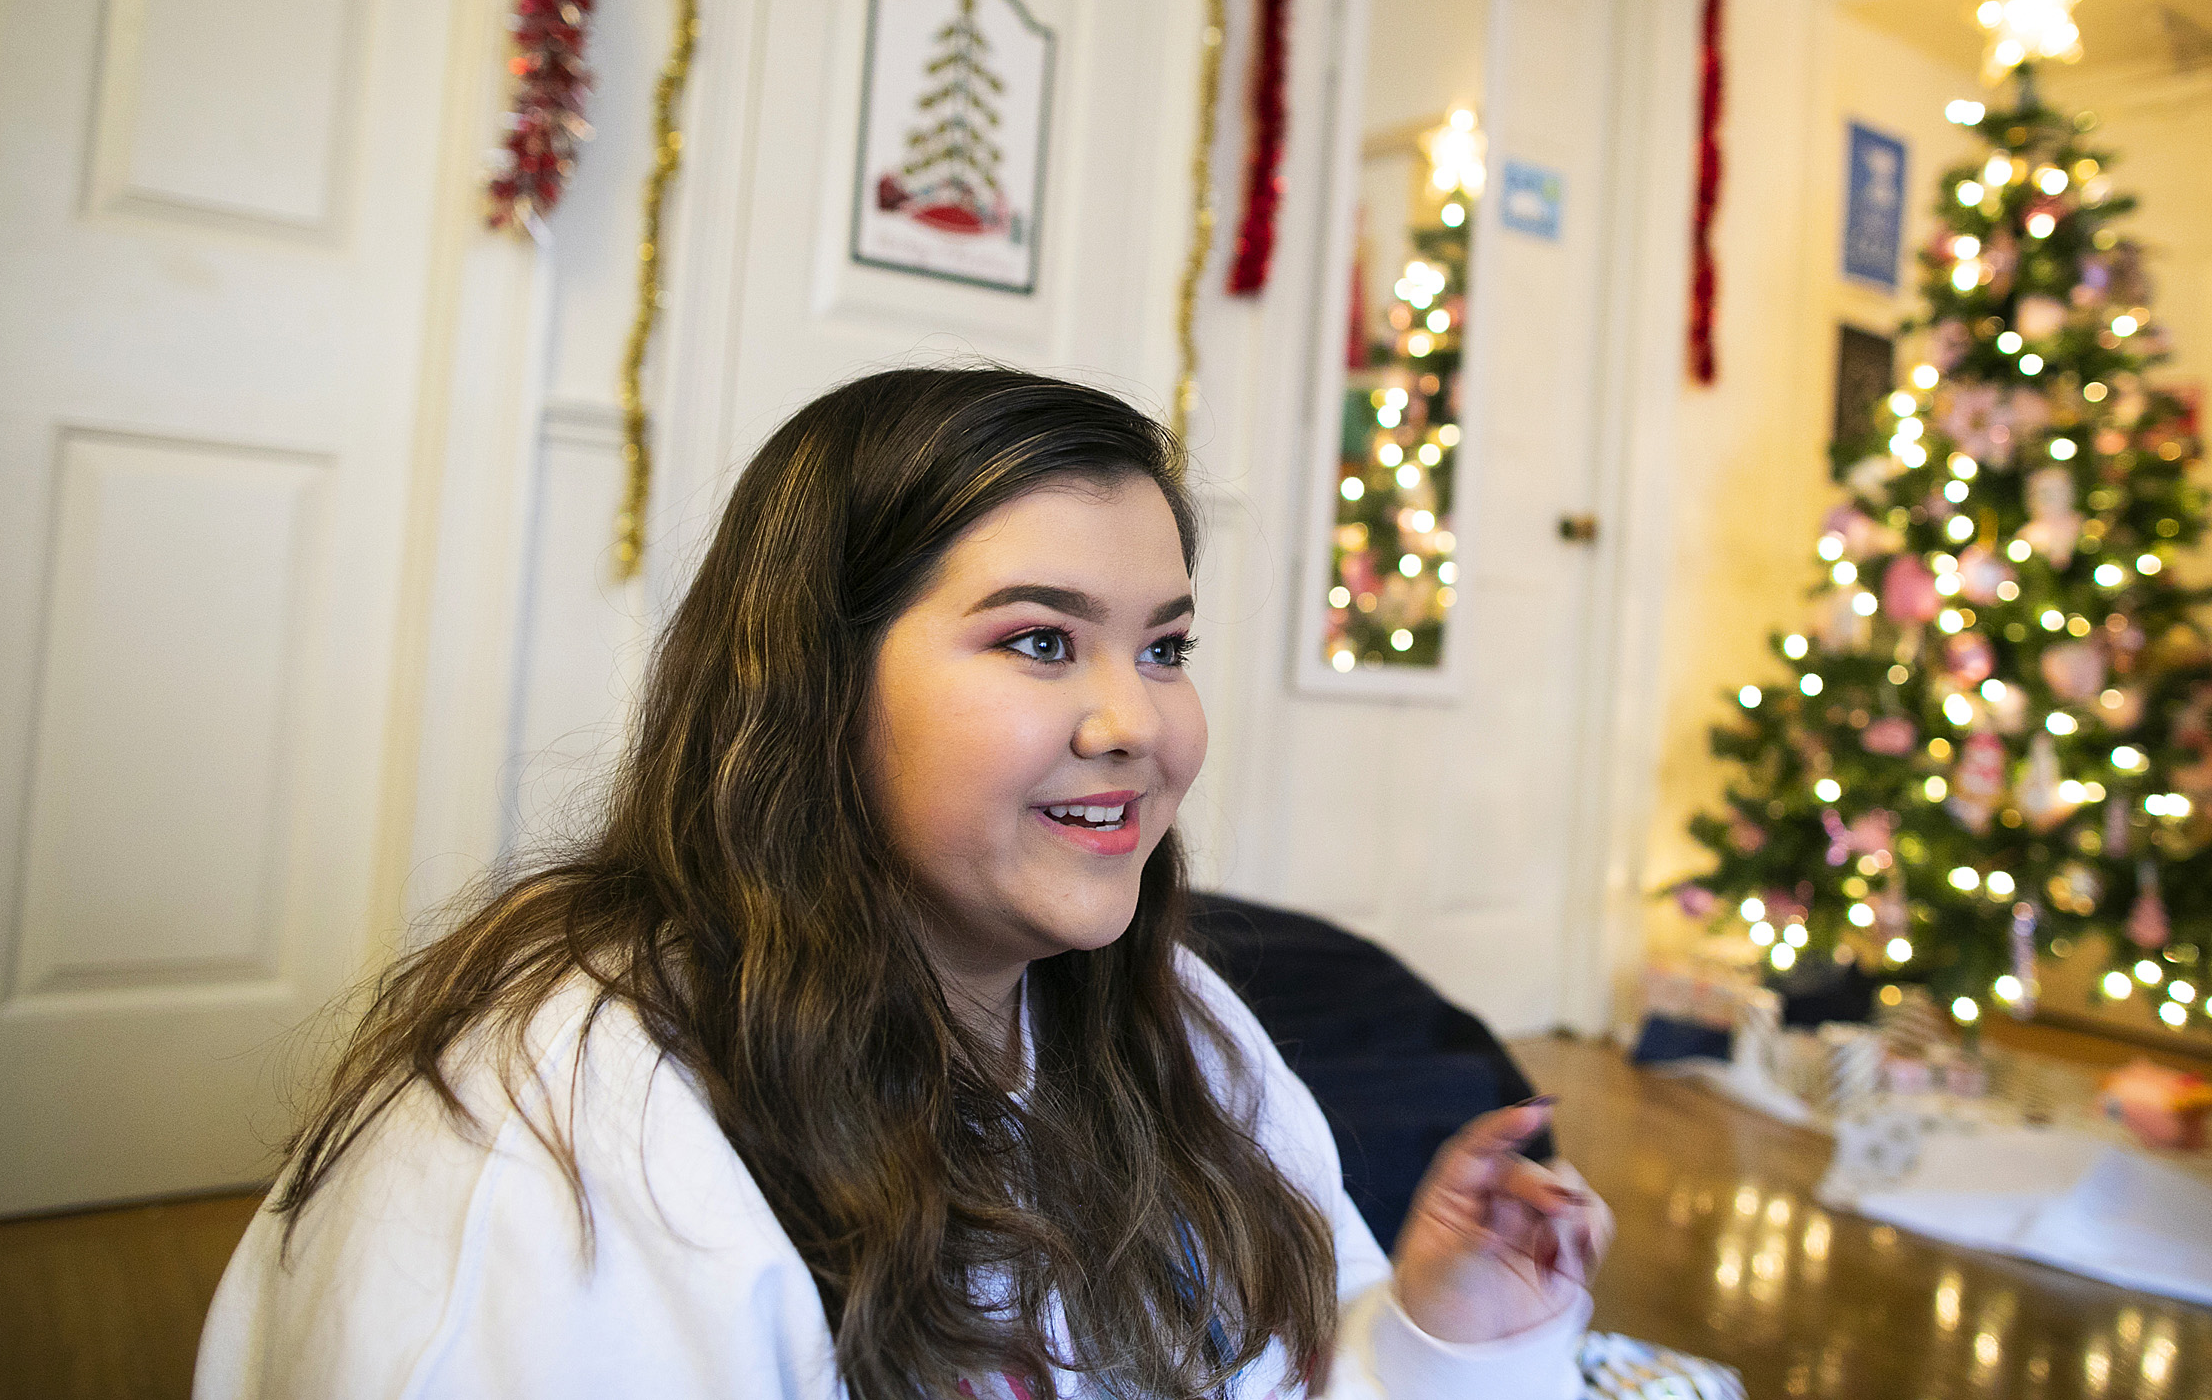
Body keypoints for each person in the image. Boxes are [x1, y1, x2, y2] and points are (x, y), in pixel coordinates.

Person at [195, 366, 1611, 1400]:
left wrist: (1450, 1334)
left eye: (1165, 647)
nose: (1138, 721)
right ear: (816, 683)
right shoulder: (553, 1163)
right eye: (1042, 643)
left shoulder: (1170, 1019)